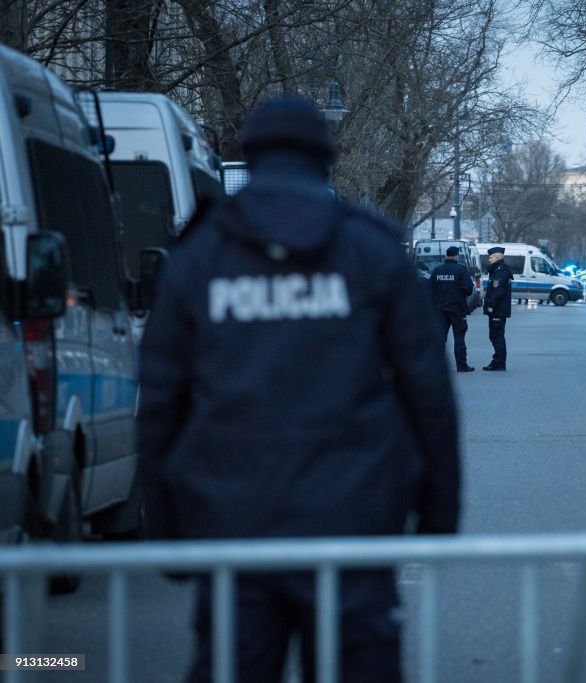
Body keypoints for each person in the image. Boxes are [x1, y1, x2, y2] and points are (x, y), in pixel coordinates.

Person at [136, 96, 461, 683]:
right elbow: (426, 388)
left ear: (250, 157)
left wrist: (164, 530)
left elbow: (161, 400)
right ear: (326, 159)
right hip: (354, 523)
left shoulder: (201, 254)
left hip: (231, 523)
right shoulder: (370, 249)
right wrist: (438, 515)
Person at [429, 246, 475, 372]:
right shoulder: (461, 270)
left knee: (439, 338)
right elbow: (469, 288)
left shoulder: (437, 270)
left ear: (446, 256)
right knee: (459, 337)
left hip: (439, 310)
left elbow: (429, 288)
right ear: (456, 256)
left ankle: (437, 366)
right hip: (457, 309)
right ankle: (461, 365)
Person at [482, 246, 513, 371]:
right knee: (495, 335)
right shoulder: (498, 270)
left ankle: (499, 362)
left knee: (497, 336)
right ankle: (498, 361)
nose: (489, 260)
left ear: (498, 257)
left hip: (498, 310)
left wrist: (490, 306)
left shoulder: (500, 271)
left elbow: (497, 291)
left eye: (491, 257)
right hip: (498, 309)